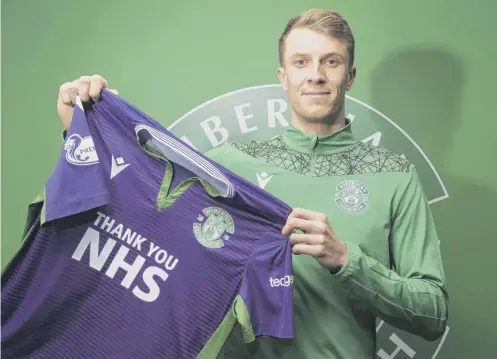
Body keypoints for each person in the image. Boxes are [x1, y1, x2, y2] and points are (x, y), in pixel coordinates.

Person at [52, 8, 448, 359]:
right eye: (301, 62)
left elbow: (432, 312)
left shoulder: (393, 176)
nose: (315, 75)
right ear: (282, 75)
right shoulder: (229, 164)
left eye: (331, 61)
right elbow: (143, 213)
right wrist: (91, 126)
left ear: (350, 76)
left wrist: (347, 260)